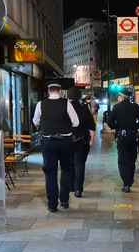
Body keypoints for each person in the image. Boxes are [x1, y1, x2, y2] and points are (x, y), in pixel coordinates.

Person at [32, 82, 79, 212]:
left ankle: (52, 204)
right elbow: (76, 122)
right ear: (60, 91)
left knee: (50, 173)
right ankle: (64, 200)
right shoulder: (66, 103)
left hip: (48, 142)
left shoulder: (41, 104)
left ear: (48, 91)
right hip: (65, 141)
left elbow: (35, 121)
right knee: (66, 170)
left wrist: (45, 125)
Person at [108, 90, 139, 192]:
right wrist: (136, 126)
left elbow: (109, 122)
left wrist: (117, 127)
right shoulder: (135, 106)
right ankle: (130, 180)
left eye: (118, 96)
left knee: (122, 160)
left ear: (121, 96)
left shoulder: (117, 107)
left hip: (122, 136)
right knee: (131, 159)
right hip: (133, 136)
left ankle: (126, 183)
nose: (118, 98)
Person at [68, 87, 96, 197]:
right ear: (79, 96)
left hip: (67, 141)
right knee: (80, 165)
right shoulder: (84, 108)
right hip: (82, 140)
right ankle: (78, 189)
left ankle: (70, 186)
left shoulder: (65, 108)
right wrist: (92, 140)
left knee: (69, 164)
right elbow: (91, 126)